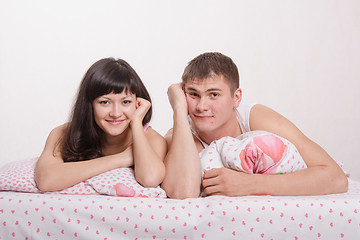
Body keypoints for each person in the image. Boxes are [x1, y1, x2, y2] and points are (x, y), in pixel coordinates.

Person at [162, 52, 348, 199]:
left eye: (214, 95)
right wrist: (178, 107)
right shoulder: (181, 134)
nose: (201, 107)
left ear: (236, 98)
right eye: (193, 94)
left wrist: (250, 184)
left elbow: (335, 178)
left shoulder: (255, 117)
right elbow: (182, 193)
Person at [34, 58, 167, 192]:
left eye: (126, 102)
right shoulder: (63, 133)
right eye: (105, 102)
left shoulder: (151, 139)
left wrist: (137, 122)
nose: (115, 113)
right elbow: (46, 180)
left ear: (138, 103)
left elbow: (150, 179)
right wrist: (121, 159)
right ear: (89, 104)